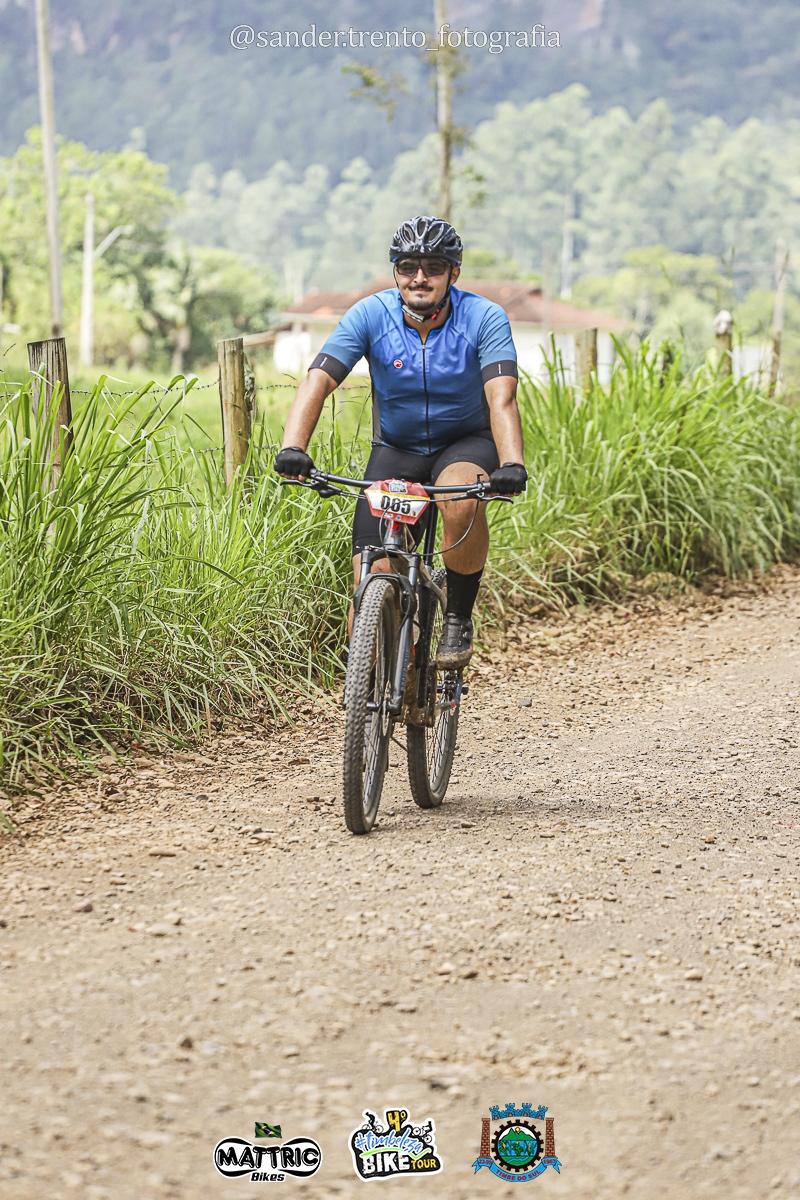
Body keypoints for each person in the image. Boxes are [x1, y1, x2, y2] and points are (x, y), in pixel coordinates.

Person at [274, 215, 527, 669]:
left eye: (433, 267)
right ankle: (375, 686)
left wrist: (511, 463)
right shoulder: (371, 314)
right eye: (408, 266)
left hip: (465, 442)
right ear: (396, 272)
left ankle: (457, 617)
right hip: (396, 448)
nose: (419, 277)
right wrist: (294, 447)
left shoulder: (484, 317)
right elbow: (317, 380)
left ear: (453, 272)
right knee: (370, 577)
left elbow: (501, 397)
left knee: (460, 501)